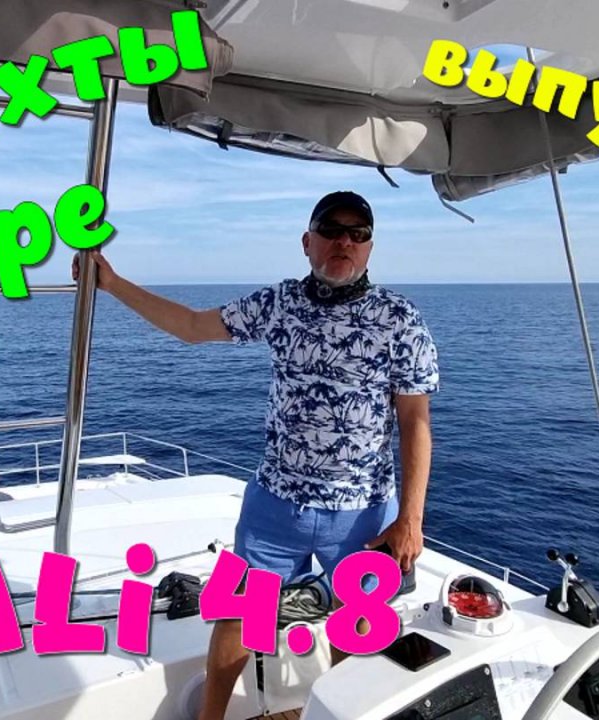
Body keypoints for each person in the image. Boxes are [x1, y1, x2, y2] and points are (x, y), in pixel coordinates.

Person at [73, 191, 438, 720]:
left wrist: (411, 520)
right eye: (331, 230)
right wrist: (112, 283)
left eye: (358, 234)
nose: (344, 241)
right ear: (307, 242)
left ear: (369, 248)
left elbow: (414, 422)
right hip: (275, 506)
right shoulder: (280, 303)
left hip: (362, 514)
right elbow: (192, 327)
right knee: (236, 616)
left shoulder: (399, 319)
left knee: (355, 629)